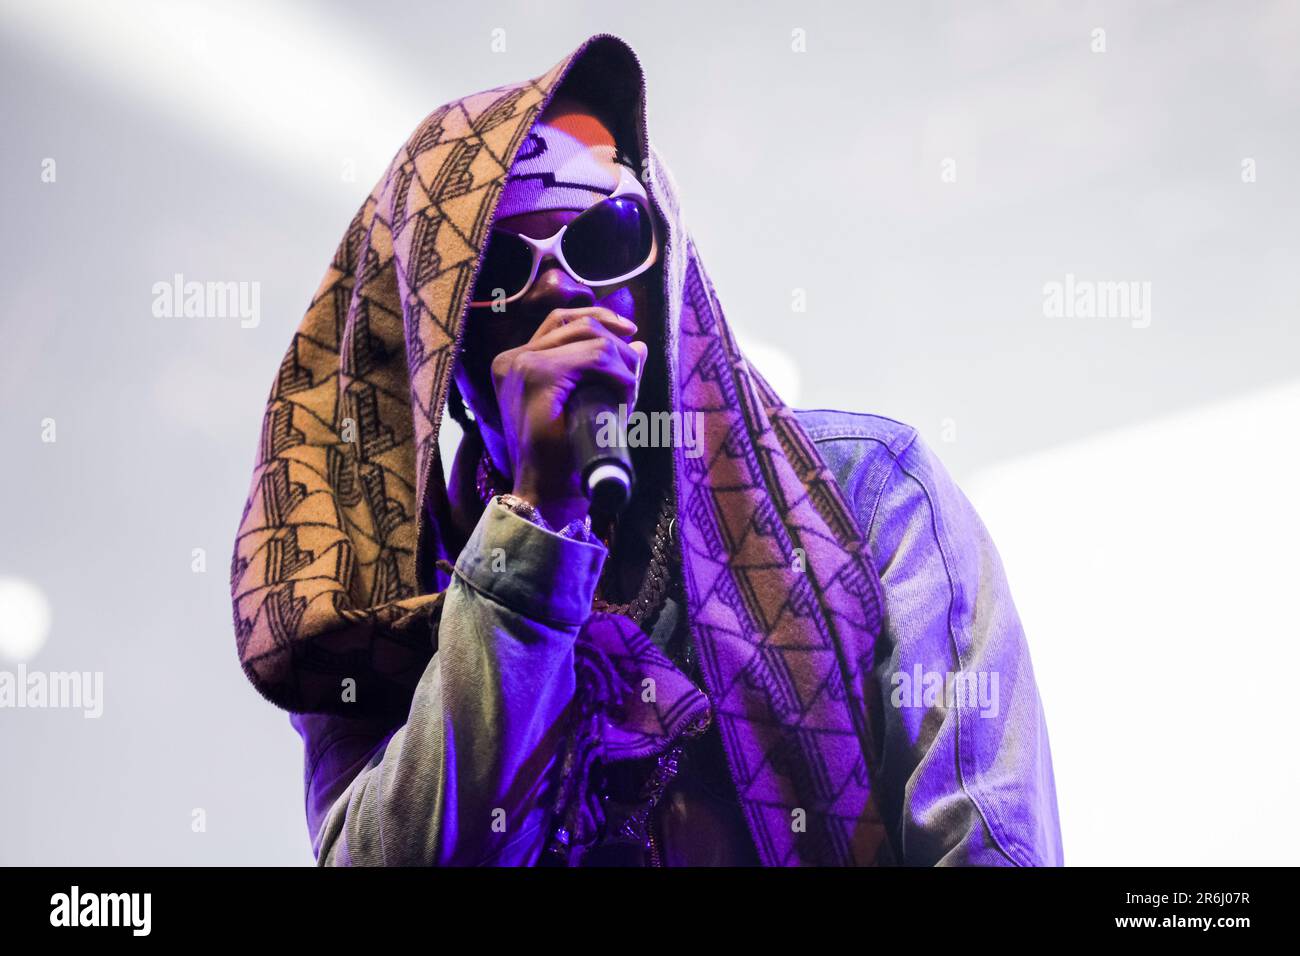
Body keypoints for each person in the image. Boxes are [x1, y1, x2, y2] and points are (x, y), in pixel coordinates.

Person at [230, 33, 1063, 866]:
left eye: (603, 242)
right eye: (500, 271)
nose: (561, 288)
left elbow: (986, 846)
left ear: (665, 285)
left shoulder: (872, 499)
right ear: (441, 354)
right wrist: (538, 524)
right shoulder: (378, 608)